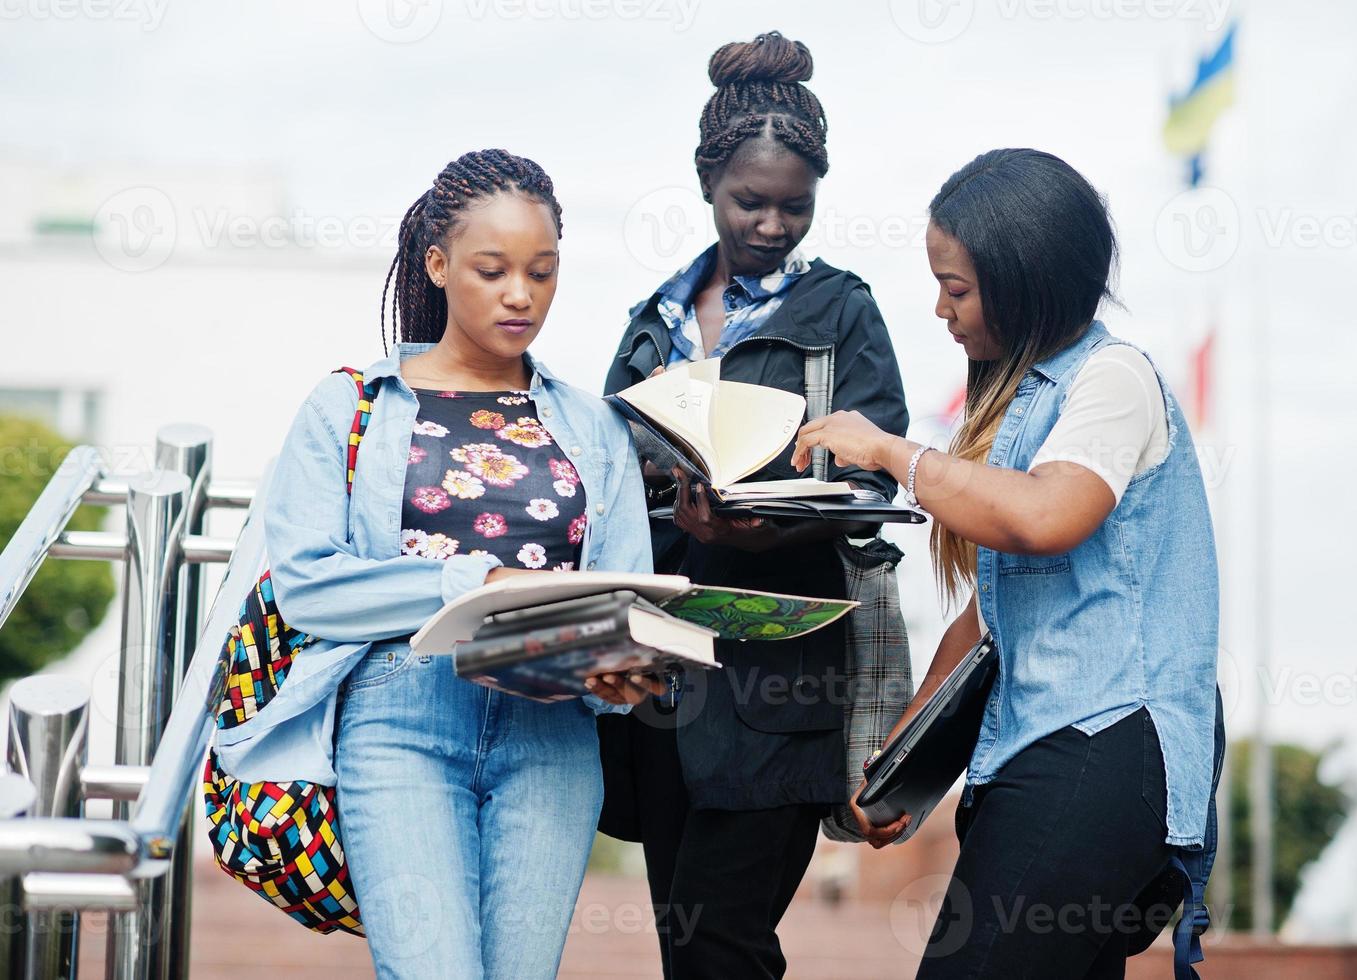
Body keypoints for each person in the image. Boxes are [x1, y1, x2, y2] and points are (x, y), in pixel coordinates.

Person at [791, 148, 1220, 979]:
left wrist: (890, 453)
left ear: (1026, 280)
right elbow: (991, 611)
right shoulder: (1028, 403)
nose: (941, 310)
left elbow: (1046, 517)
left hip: (1106, 740)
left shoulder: (1113, 378)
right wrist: (902, 761)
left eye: (956, 289)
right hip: (1036, 751)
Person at [234, 148, 660, 979]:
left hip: (552, 735)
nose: (519, 295)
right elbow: (309, 587)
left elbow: (622, 591)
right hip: (400, 721)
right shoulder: (351, 404)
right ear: (437, 264)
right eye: (492, 270)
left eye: (541, 272)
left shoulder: (594, 425)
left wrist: (619, 665)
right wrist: (478, 581)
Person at [599, 31, 910, 980]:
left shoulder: (842, 314)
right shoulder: (650, 320)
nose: (773, 225)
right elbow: (604, 476)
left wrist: (767, 520)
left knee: (724, 941)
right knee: (684, 944)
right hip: (663, 678)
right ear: (706, 184)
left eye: (794, 207)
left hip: (782, 680)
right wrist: (665, 504)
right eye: (750, 202)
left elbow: (875, 481)